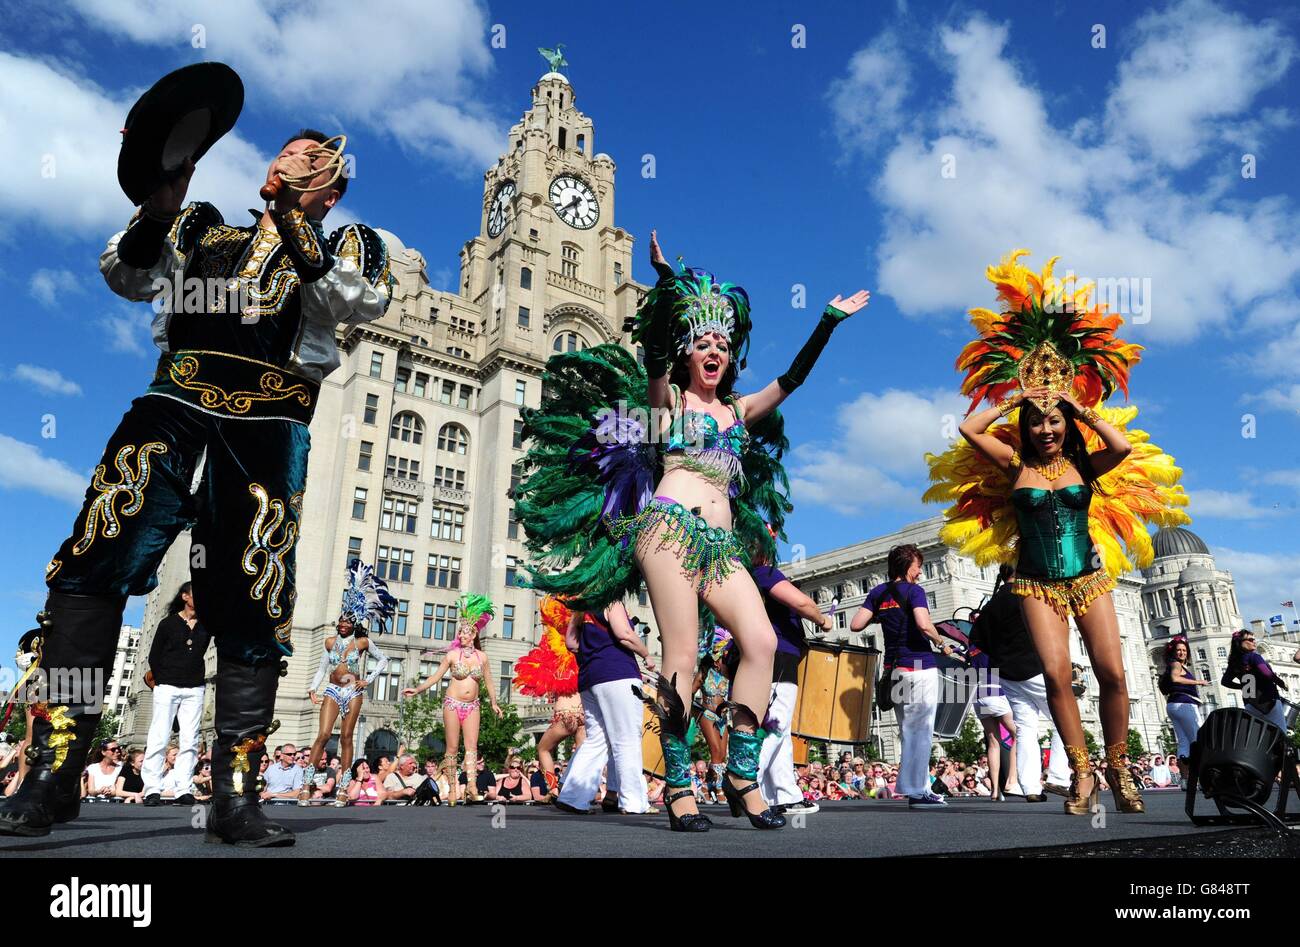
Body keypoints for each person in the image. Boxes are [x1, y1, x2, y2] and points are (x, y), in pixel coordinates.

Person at [1, 119, 394, 844]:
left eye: (311, 158)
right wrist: (158, 207)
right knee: (93, 561)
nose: (290, 158)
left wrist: (290, 217)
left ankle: (236, 797)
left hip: (270, 424)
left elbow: (355, 302)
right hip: (173, 405)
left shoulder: (350, 246)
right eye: (286, 150)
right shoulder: (205, 229)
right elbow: (126, 275)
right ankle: (53, 770)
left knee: (254, 591)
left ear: (333, 188)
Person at [516, 229, 868, 833]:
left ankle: (739, 774)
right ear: (686, 352)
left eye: (722, 346)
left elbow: (793, 380)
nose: (713, 351)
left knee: (760, 643)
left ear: (730, 358)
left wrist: (827, 323)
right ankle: (679, 786)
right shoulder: (668, 404)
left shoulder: (739, 411)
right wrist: (666, 283)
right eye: (702, 343)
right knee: (680, 655)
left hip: (721, 546)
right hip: (668, 530)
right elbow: (653, 358)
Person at [936, 249, 1189, 816]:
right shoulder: (1014, 467)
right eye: (1037, 422)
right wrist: (1023, 395)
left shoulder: (1082, 465)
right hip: (1034, 584)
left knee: (1114, 675)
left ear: (1065, 425)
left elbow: (1120, 448)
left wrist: (1076, 405)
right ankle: (1081, 777)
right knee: (1056, 678)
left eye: (1054, 422)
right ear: (1025, 428)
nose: (1046, 429)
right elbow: (967, 425)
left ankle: (1119, 768)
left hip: (1090, 576)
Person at [851, 544, 957, 809]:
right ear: (907, 565)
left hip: (894, 670)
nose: (919, 572)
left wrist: (883, 615)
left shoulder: (877, 593)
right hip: (919, 666)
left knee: (909, 731)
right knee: (921, 732)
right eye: (918, 566)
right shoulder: (914, 591)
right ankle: (917, 791)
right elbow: (923, 623)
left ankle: (918, 788)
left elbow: (855, 624)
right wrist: (942, 644)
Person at [967, 564, 1070, 801]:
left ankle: (1031, 787)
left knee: (1025, 728)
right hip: (1035, 667)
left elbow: (976, 639)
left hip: (1007, 674)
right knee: (1064, 718)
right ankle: (1058, 777)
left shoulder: (992, 604)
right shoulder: (1031, 596)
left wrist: (1001, 656)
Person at [303, 561, 395, 801]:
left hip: (353, 691)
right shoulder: (330, 642)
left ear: (354, 624)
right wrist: (313, 688)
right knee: (323, 735)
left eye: (347, 622)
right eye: (340, 621)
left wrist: (368, 680)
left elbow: (384, 660)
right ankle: (307, 783)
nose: (343, 625)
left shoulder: (362, 643)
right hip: (333, 690)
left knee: (346, 737)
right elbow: (323, 667)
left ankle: (344, 787)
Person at [751, 539, 829, 815]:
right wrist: (823, 620)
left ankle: (784, 795)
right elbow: (801, 602)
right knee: (776, 725)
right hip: (779, 656)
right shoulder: (764, 573)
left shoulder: (743, 579)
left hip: (762, 658)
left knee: (779, 728)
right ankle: (746, 781)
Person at [555, 600, 654, 815]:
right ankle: (634, 801)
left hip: (590, 678)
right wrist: (646, 654)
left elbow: (571, 643)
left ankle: (573, 796)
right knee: (626, 738)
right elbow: (624, 634)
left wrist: (594, 652)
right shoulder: (611, 601)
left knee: (596, 739)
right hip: (617, 673)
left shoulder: (581, 609)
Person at [405, 595, 502, 805]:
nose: (463, 635)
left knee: (472, 747)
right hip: (452, 704)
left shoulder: (482, 657)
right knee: (452, 748)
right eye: (461, 632)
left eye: (467, 632)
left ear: (474, 634)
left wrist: (494, 702)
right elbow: (435, 676)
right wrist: (418, 689)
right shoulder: (452, 655)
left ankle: (472, 787)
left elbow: (489, 681)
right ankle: (450, 790)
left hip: (473, 705)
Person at [141, 582, 209, 807]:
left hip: (194, 688)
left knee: (190, 739)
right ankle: (152, 788)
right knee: (159, 736)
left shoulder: (206, 625)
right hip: (167, 686)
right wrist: (161, 681)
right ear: (185, 597)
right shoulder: (168, 624)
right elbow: (154, 655)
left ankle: (183, 789)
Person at [513, 596, 585, 800]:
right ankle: (577, 794)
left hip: (564, 716)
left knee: (543, 748)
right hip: (584, 716)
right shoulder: (581, 655)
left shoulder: (555, 656)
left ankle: (553, 790)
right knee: (582, 755)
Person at [1159, 635, 1207, 779]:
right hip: (1184, 704)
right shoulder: (1176, 664)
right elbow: (1175, 678)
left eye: (1184, 650)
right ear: (1173, 652)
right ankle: (1201, 776)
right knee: (1197, 740)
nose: (1182, 652)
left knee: (1184, 742)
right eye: (1179, 650)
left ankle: (1185, 779)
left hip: (1173, 705)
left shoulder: (1174, 664)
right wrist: (1198, 682)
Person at [1222, 630, 1289, 730]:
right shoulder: (1254, 656)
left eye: (1254, 639)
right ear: (1240, 642)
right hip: (1268, 700)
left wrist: (1242, 686)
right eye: (1250, 639)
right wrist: (1281, 682)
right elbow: (1266, 672)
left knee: (1260, 736)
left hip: (1250, 704)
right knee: (1280, 733)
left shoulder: (1234, 662)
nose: (1254, 641)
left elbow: (1225, 682)